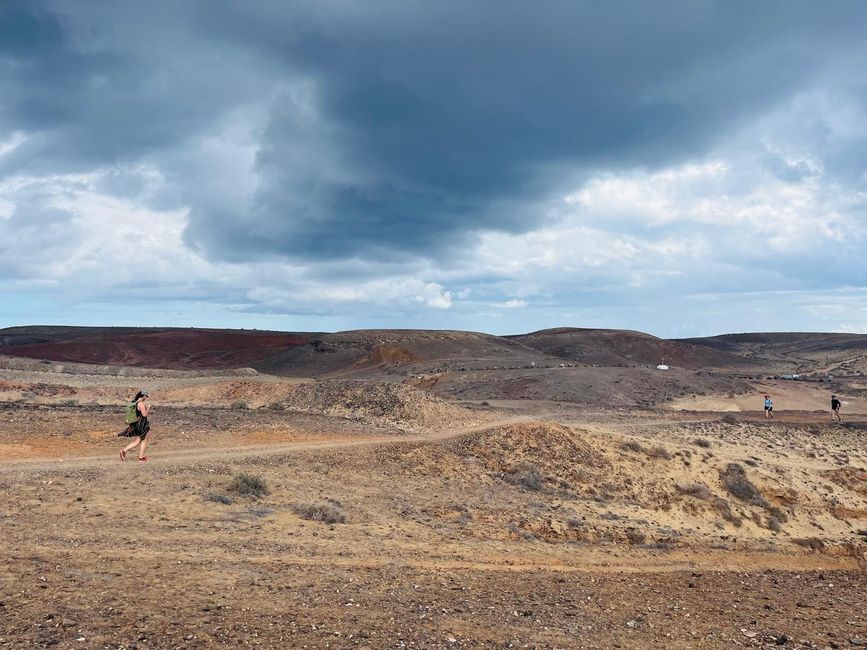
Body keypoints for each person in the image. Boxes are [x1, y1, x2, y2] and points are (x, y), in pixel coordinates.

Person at [119, 390, 151, 461]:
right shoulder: (141, 404)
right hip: (141, 424)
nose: (146, 398)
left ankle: (126, 451)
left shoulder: (136, 403)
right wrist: (148, 408)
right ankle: (140, 456)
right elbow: (144, 415)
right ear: (142, 396)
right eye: (146, 396)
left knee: (139, 440)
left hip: (137, 423)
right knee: (142, 440)